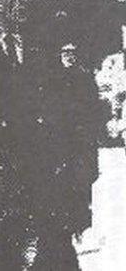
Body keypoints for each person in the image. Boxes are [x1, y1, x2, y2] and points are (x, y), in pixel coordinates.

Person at [25, 41, 104, 270]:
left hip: (79, 149)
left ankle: (69, 241)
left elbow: (93, 112)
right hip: (58, 149)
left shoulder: (85, 78)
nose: (70, 56)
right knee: (58, 202)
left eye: (73, 53)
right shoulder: (53, 79)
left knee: (77, 197)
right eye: (66, 53)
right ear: (59, 55)